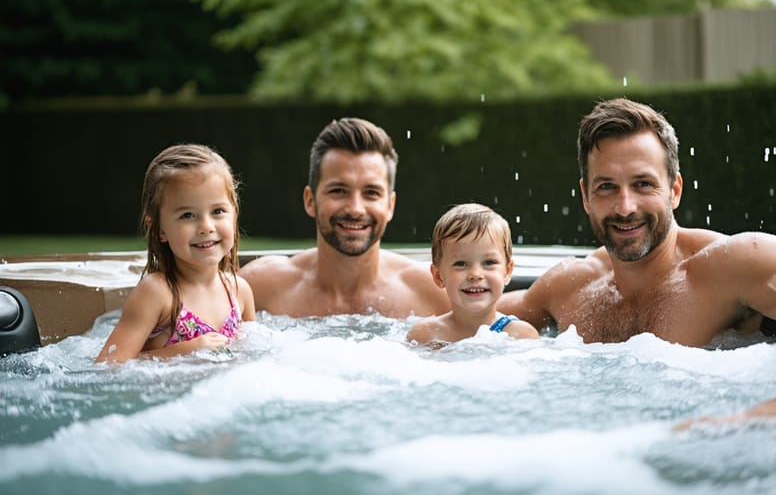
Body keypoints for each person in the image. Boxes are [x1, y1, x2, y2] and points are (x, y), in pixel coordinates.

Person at [499, 98, 776, 422]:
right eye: (607, 187)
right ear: (585, 196)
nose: (625, 207)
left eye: (643, 184)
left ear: (674, 190)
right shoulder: (571, 285)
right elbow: (464, 311)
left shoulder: (729, 264)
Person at [240, 117, 450, 318]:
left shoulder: (436, 294)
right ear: (310, 200)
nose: (356, 209)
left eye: (371, 193)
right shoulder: (259, 288)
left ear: (390, 206)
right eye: (339, 190)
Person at [96, 144, 255, 363]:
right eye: (188, 215)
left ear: (234, 214)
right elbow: (108, 365)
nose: (206, 226)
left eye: (218, 211)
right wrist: (186, 350)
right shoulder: (157, 293)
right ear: (160, 229)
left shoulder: (239, 291)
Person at [407, 203, 539, 344]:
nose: (475, 274)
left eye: (489, 263)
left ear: (507, 271)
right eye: (461, 264)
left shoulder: (521, 335)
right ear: (439, 276)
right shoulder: (424, 334)